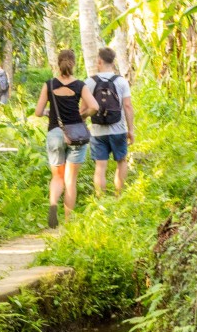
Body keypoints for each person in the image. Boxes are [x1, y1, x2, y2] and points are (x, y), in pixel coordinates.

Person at [35, 48, 98, 229]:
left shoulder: (49, 85)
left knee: (57, 177)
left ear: (58, 64)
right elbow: (94, 106)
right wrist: (84, 115)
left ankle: (53, 203)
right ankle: (69, 222)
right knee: (71, 180)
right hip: (76, 134)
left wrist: (49, 112)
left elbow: (38, 112)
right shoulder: (80, 85)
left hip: (55, 133)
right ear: (74, 64)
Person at [87, 46, 135, 196]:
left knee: (100, 167)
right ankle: (118, 196)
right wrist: (131, 129)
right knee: (121, 162)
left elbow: (85, 108)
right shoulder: (121, 82)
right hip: (118, 129)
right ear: (113, 62)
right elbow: (127, 106)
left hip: (97, 131)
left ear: (99, 61)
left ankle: (101, 200)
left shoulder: (89, 82)